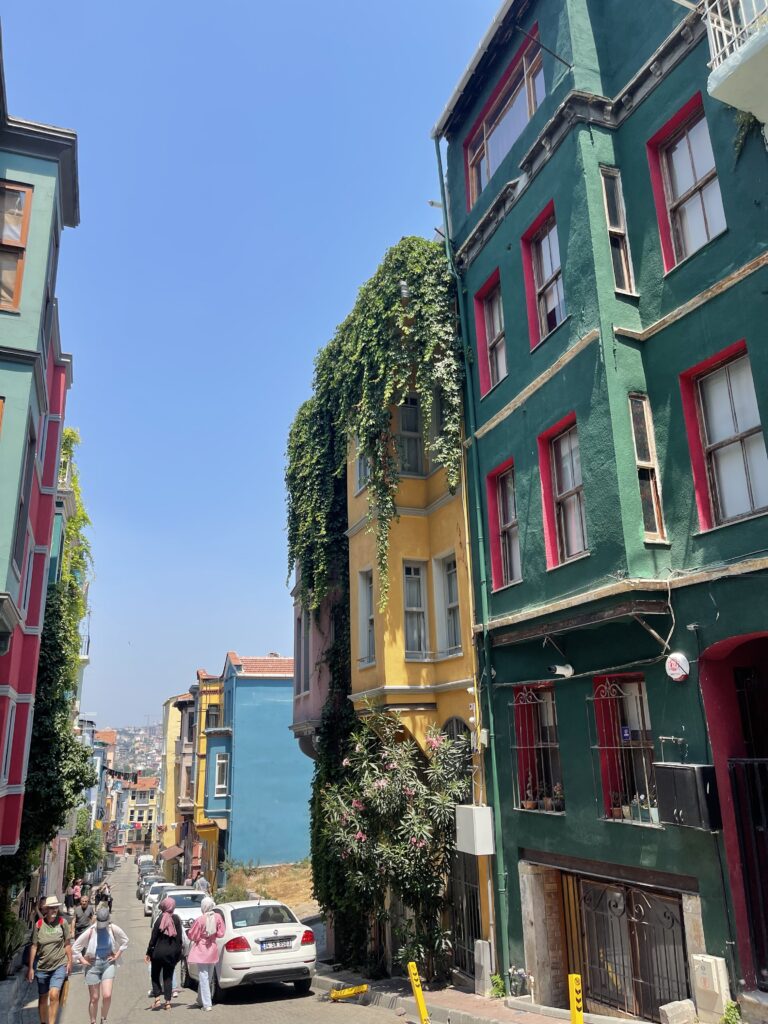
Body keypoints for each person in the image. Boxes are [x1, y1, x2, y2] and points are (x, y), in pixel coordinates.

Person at [73, 906, 128, 1024]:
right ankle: (93, 1021)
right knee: (94, 998)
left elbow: (125, 940)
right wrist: (82, 960)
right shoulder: (91, 930)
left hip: (108, 963)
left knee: (107, 995)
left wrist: (117, 955)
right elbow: (76, 947)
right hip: (93, 965)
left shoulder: (113, 928)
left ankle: (103, 1019)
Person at [27, 895, 72, 1024]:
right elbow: (34, 946)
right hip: (42, 968)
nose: (53, 911)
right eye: (51, 908)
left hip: (59, 965)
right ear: (46, 909)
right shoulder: (39, 925)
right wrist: (30, 968)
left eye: (55, 908)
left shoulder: (63, 923)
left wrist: (69, 961)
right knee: (43, 998)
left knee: (54, 994)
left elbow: (67, 944)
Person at [185, 897, 224, 1011]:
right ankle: (200, 1000)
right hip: (212, 949)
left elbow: (193, 935)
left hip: (202, 950)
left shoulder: (200, 919)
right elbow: (221, 933)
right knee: (209, 976)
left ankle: (207, 1004)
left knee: (203, 977)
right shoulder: (218, 917)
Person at [145, 897, 182, 1010]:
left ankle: (157, 999)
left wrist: (148, 952)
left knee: (155, 975)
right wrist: (177, 954)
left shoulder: (159, 919)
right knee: (168, 977)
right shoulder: (176, 919)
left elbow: (154, 938)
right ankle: (168, 1002)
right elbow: (179, 939)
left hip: (158, 953)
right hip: (171, 954)